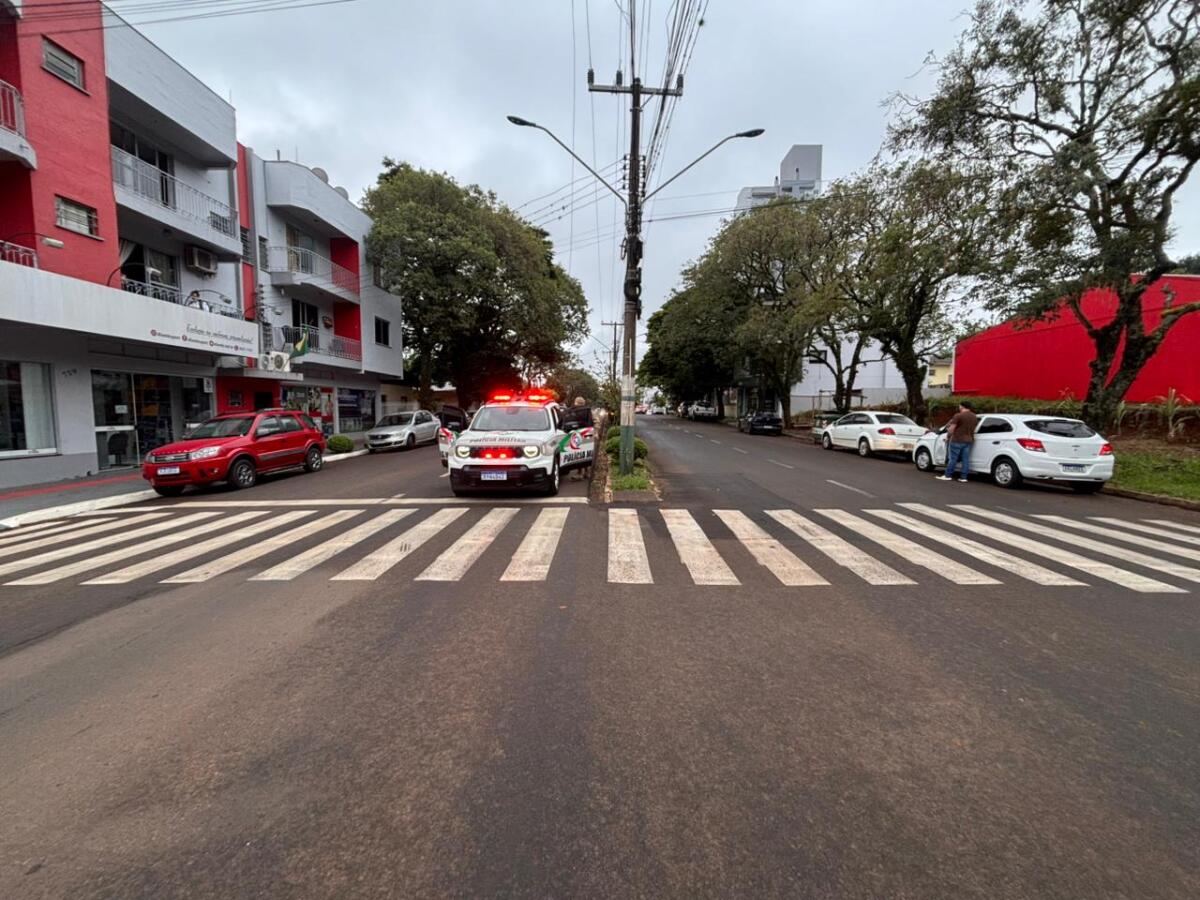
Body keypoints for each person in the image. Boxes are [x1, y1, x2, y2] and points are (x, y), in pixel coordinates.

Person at [938, 401, 979, 482]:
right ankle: (963, 477)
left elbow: (952, 428)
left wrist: (948, 437)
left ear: (962, 406)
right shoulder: (974, 416)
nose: (959, 407)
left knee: (953, 458)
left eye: (959, 406)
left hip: (957, 440)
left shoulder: (958, 415)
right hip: (969, 440)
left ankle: (948, 475)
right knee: (965, 459)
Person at [564, 397, 595, 481]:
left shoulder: (572, 411)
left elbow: (568, 422)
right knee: (586, 452)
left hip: (576, 434)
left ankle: (580, 472)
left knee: (578, 453)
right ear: (583, 403)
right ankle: (587, 472)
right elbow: (590, 422)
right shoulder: (587, 410)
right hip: (586, 433)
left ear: (576, 403)